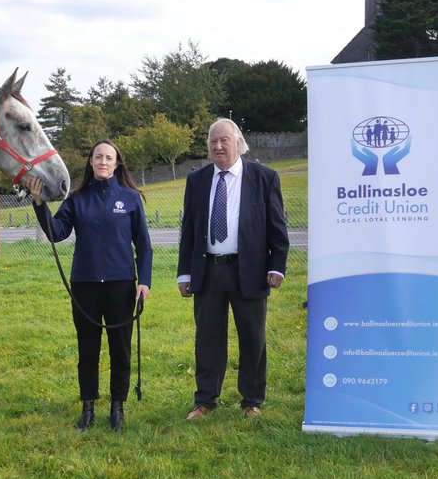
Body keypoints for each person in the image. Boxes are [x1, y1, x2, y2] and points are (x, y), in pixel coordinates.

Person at [27, 139, 152, 432]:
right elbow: (57, 233)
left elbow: (144, 246)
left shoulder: (131, 198)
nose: (103, 162)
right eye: (98, 157)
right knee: (88, 348)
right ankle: (88, 408)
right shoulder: (76, 198)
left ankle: (117, 409)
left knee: (120, 348)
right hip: (85, 285)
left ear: (117, 163)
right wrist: (39, 204)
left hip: (122, 285)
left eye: (109, 157)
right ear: (91, 162)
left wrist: (144, 280)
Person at [178, 118, 289, 421]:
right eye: (213, 141)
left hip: (249, 270)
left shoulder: (264, 178)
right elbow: (188, 230)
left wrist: (277, 266)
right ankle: (205, 400)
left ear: (239, 143)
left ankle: (251, 400)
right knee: (208, 339)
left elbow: (278, 228)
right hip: (209, 271)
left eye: (225, 140)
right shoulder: (197, 180)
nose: (218, 146)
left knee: (253, 338)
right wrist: (184, 272)